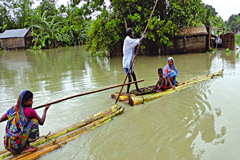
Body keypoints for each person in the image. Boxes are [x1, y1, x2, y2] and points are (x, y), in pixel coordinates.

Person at [122, 28, 146, 98]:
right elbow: (137, 41)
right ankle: (127, 92)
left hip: (130, 63)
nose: (133, 34)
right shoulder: (127, 40)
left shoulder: (130, 40)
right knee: (130, 79)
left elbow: (134, 45)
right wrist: (142, 36)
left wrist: (137, 49)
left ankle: (137, 88)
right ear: (130, 34)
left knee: (134, 76)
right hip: (126, 64)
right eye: (132, 33)